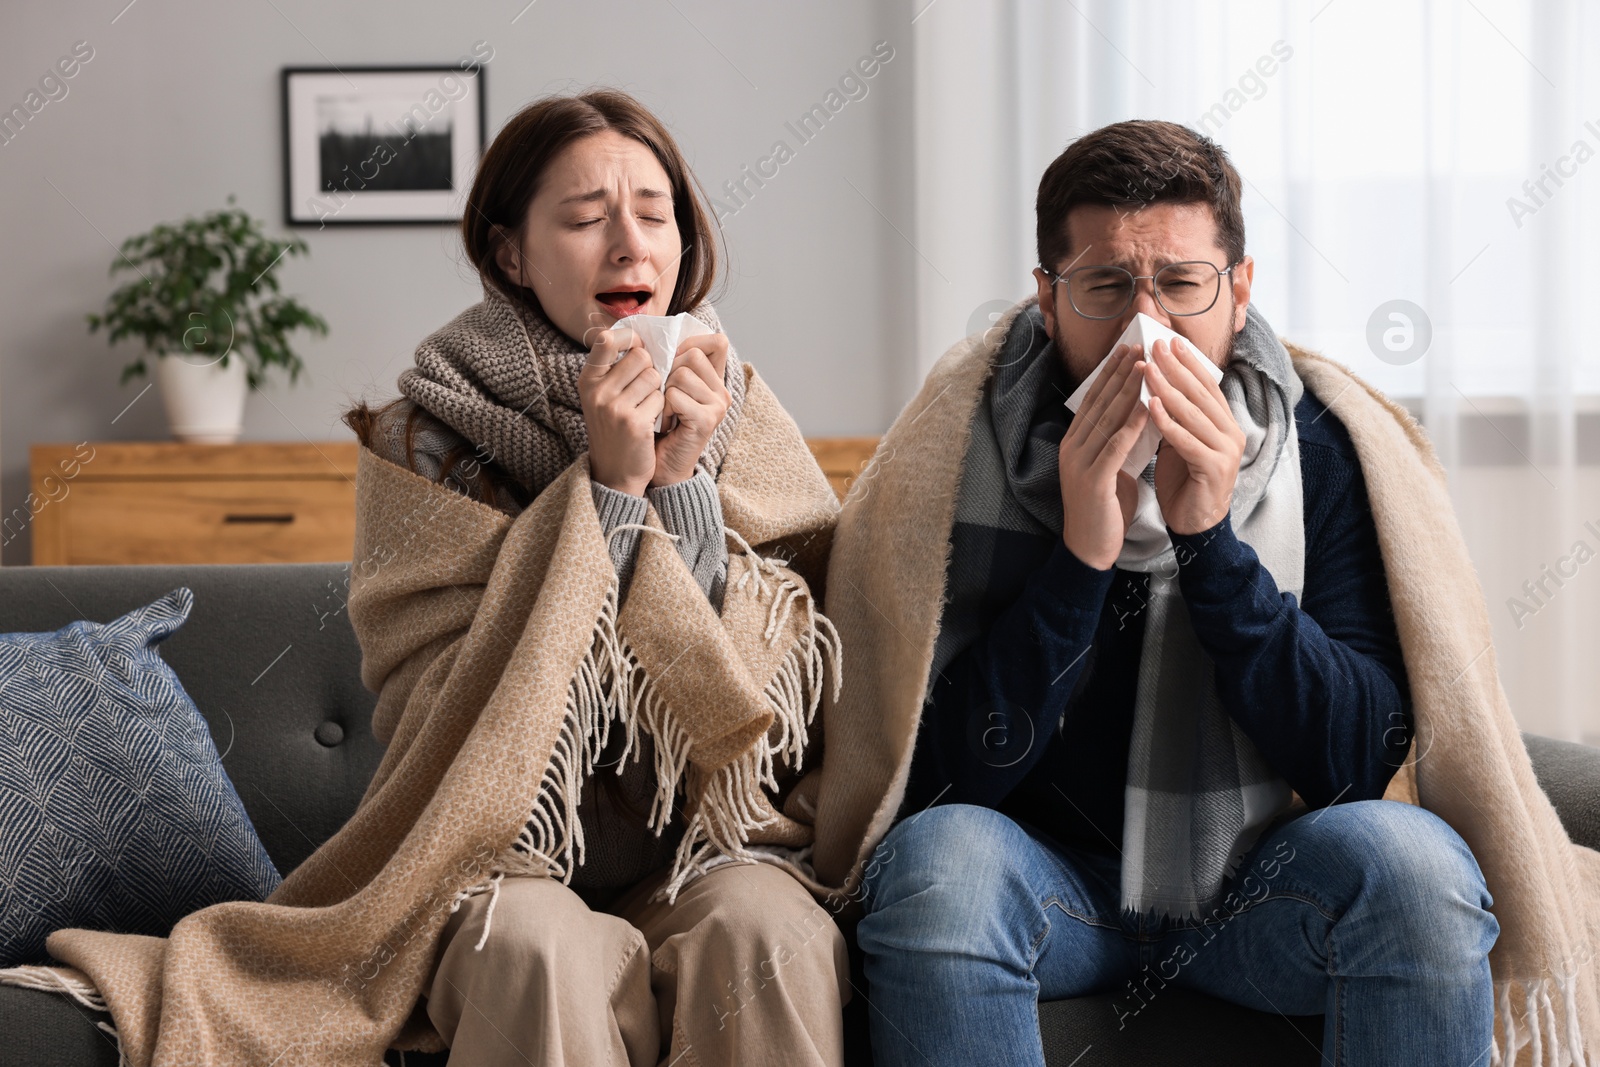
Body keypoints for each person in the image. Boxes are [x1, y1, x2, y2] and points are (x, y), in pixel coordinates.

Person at [812, 120, 1506, 1065]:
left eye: (1182, 285)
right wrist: (1081, 561)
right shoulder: (948, 453)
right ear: (1047, 301)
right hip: (1048, 887)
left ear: (1240, 291)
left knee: (1417, 867)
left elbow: (1358, 759)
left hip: (1261, 888)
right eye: (1106, 287)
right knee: (941, 868)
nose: (1149, 328)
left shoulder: (1327, 450)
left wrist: (1211, 545)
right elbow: (925, 783)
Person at [342, 89, 848, 1067]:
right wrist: (610, 490)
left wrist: (681, 482)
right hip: (493, 856)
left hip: (702, 842)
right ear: (510, 255)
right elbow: (441, 710)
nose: (630, 246)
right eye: (584, 218)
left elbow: (782, 684)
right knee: (531, 946)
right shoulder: (423, 433)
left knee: (766, 930)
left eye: (654, 216)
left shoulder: (739, 408)